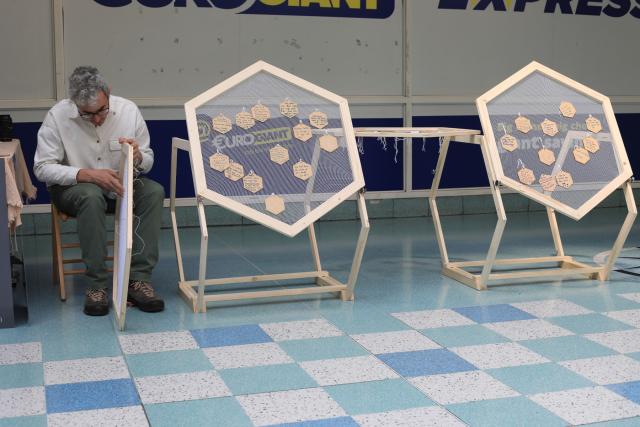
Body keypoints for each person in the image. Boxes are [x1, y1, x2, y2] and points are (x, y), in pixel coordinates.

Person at [34, 66, 165, 316]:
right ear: (74, 103)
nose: (96, 119)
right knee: (91, 196)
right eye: (87, 114)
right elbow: (42, 168)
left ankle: (138, 280)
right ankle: (97, 286)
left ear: (109, 93)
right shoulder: (57, 116)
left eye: (101, 111)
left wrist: (138, 157)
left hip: (120, 184)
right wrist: (86, 174)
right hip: (74, 190)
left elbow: (149, 159)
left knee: (153, 192)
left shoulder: (128, 110)